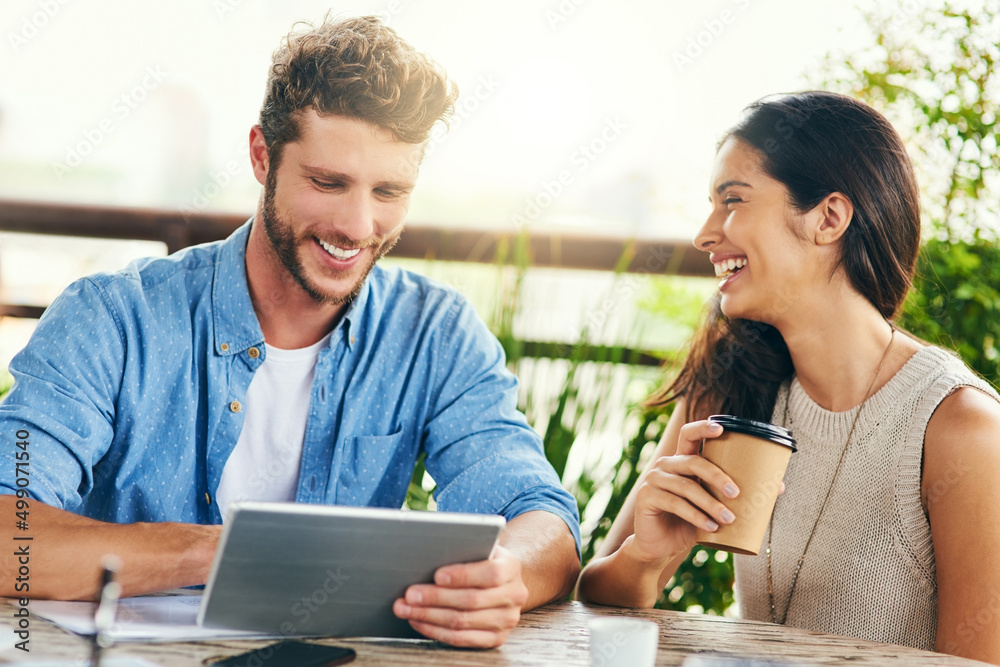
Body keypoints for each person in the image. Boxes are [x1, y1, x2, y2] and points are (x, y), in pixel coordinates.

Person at [0, 16, 580, 649]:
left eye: (390, 190)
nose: (359, 225)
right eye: (328, 183)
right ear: (261, 156)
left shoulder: (435, 335)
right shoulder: (110, 321)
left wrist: (506, 576)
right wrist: (232, 555)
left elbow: (543, 521)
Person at [577, 91, 1000, 664]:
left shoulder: (960, 427)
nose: (705, 234)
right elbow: (597, 601)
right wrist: (645, 558)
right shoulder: (728, 387)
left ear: (829, 217)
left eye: (732, 201)